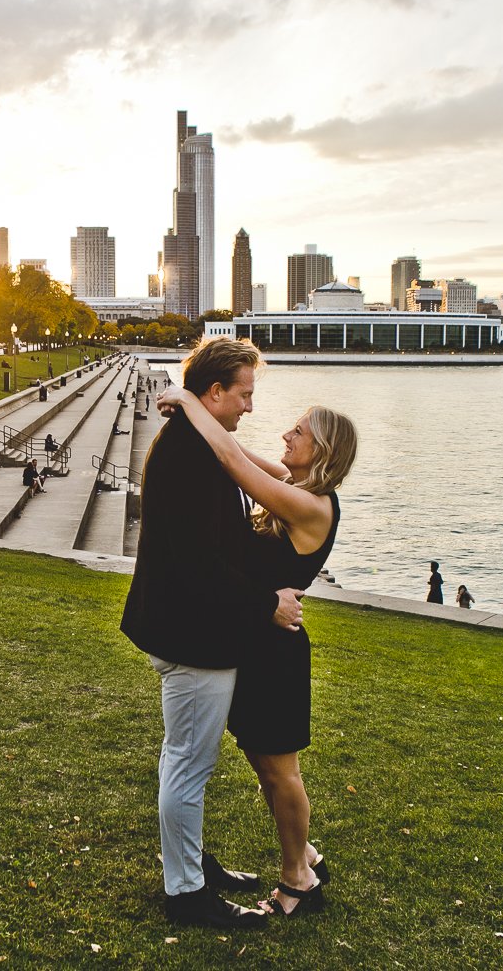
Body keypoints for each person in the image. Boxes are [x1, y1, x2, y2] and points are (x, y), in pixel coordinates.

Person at [156, 379, 358, 921]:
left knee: (279, 770)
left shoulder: (312, 505)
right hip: (256, 638)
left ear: (324, 450)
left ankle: (299, 878)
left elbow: (230, 459)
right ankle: (305, 852)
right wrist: (199, 414)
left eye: (299, 431)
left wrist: (191, 401)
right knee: (263, 763)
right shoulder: (293, 483)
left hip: (277, 652)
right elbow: (239, 451)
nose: (286, 435)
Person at [121, 337, 304, 930]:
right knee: (187, 764)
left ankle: (191, 860)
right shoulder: (190, 455)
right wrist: (267, 603)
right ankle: (187, 893)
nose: (251, 406)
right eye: (244, 394)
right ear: (215, 391)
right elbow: (199, 562)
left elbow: (218, 534)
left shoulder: (198, 443)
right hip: (192, 635)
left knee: (186, 759)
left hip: (186, 626)